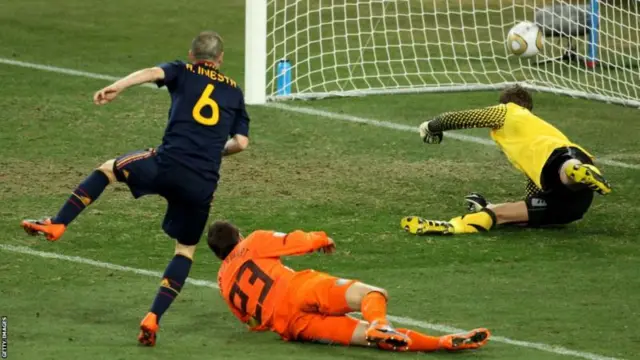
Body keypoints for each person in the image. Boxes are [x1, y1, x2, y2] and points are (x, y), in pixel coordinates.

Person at [21, 31, 250, 346]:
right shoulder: (235, 92)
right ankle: (153, 317)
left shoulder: (182, 70)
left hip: (166, 164)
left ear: (191, 53)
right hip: (202, 182)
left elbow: (152, 73)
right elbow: (241, 142)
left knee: (107, 170)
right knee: (185, 249)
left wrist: (117, 86)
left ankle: (59, 223)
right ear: (220, 59)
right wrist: (214, 150)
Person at [209, 221, 490, 352]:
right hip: (298, 288)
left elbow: (248, 318)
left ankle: (440, 343)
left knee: (371, 339)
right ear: (239, 235)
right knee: (372, 294)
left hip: (290, 325)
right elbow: (296, 241)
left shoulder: (222, 281)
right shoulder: (253, 241)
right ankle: (378, 320)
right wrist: (321, 238)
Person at [401, 84, 611, 235]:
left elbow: (459, 118)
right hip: (575, 198)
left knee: (556, 169)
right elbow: (535, 183)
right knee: (506, 210)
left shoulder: (507, 112)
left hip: (555, 164)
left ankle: (454, 226)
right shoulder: (543, 128)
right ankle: (579, 172)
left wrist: (431, 127)